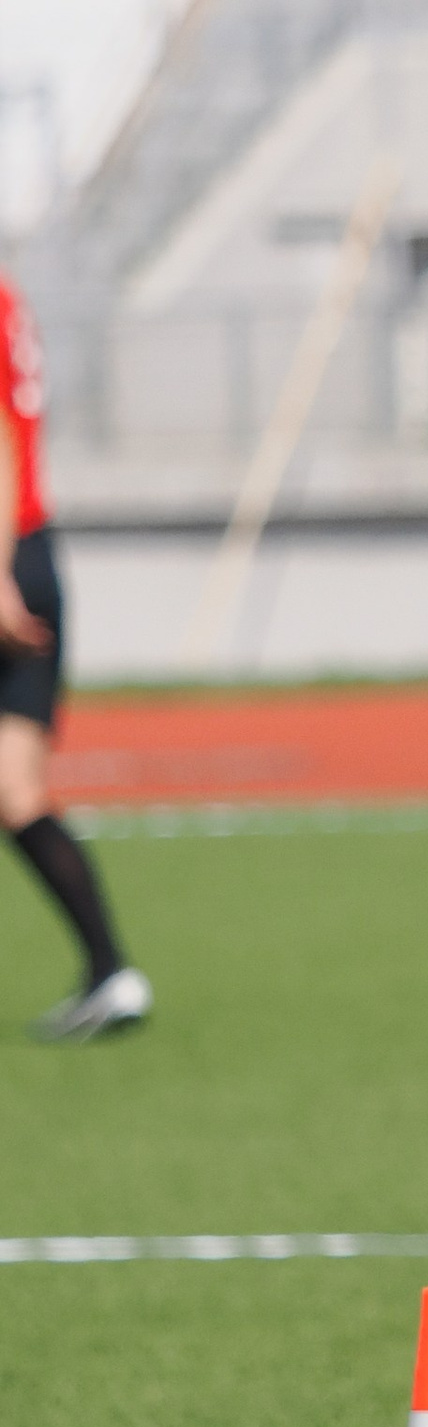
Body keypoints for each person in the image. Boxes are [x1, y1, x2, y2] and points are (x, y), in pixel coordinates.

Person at [0, 274, 149, 1042]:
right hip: (36, 550)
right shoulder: (10, 295)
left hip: (6, 557)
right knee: (16, 792)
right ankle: (110, 972)